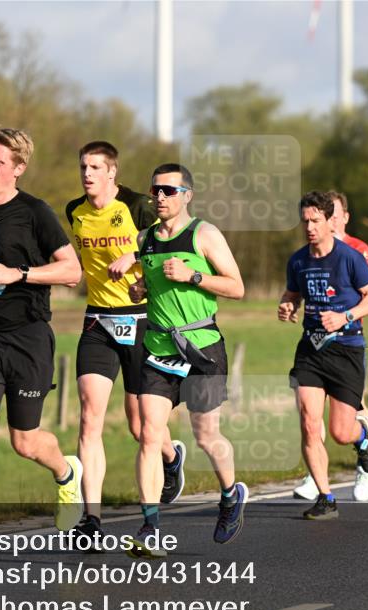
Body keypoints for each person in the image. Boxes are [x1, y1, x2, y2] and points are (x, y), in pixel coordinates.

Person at [0, 126, 84, 567]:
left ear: (18, 168)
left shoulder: (35, 213)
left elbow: (71, 271)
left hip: (28, 338)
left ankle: (67, 471)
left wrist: (18, 274)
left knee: (24, 442)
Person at [65, 141, 185, 548]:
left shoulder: (137, 206)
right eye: (83, 166)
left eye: (96, 167)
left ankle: (171, 458)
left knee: (140, 425)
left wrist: (133, 255)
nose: (87, 174)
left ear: (112, 172)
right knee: (89, 417)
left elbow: (167, 235)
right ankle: (91, 520)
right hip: (98, 319)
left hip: (140, 321)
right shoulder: (74, 211)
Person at [127, 163, 247, 556]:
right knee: (148, 433)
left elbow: (237, 287)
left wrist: (194, 277)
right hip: (159, 349)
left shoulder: (204, 234)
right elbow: (146, 289)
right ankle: (150, 526)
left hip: (201, 349)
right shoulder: (144, 239)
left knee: (206, 437)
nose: (160, 197)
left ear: (187, 196)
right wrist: (139, 288)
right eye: (156, 191)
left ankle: (230, 496)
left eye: (169, 191)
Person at [279, 191, 368, 520]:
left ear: (329, 221)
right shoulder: (298, 260)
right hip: (310, 349)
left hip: (346, 349)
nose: (309, 227)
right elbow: (291, 293)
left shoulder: (349, 257)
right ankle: (326, 497)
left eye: (315, 221)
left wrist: (346, 316)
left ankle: (363, 440)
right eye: (305, 221)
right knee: (310, 425)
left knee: (340, 432)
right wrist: (287, 305)